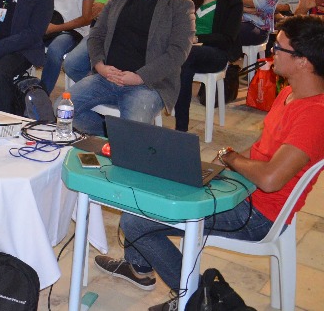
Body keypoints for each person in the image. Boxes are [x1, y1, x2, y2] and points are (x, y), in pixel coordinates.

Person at [97, 15, 324, 308]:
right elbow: (264, 152)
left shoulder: (313, 116)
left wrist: (231, 158)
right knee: (152, 186)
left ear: (303, 61)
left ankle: (196, 299)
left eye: (279, 47)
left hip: (259, 214)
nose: (271, 51)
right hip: (244, 191)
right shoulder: (292, 93)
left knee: (136, 221)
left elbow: (270, 179)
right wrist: (222, 169)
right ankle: (139, 267)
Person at [70, 0, 195, 134]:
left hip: (148, 85)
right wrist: (100, 66)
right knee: (63, 110)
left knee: (131, 130)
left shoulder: (180, 6)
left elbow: (178, 53)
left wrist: (139, 77)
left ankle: (123, 139)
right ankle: (109, 136)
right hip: (107, 77)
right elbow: (96, 34)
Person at [173, 0, 243, 132]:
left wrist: (196, 38)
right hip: (188, 51)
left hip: (216, 52)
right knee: (185, 66)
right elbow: (179, 20)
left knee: (186, 56)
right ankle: (181, 127)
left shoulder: (233, 1)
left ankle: (181, 127)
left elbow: (227, 38)